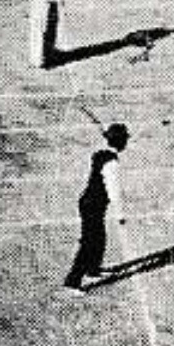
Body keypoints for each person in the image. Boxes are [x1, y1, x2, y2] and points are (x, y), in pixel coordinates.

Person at [64, 122, 129, 290]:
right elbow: (113, 190)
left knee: (99, 238)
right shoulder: (111, 164)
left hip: (90, 203)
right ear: (121, 142)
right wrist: (120, 215)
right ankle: (71, 283)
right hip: (93, 205)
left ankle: (93, 269)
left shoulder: (100, 154)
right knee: (89, 242)